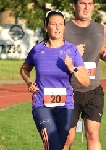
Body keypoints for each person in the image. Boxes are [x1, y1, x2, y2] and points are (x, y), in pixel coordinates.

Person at [20, 11, 90, 150]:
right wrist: (29, 82)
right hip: (41, 104)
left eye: (60, 24)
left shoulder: (71, 50)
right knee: (52, 145)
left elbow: (86, 81)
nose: (57, 27)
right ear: (46, 27)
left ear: (64, 27)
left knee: (59, 145)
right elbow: (24, 69)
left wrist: (72, 67)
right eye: (53, 24)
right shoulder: (37, 50)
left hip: (65, 106)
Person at [63, 0, 106, 150]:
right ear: (74, 5)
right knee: (67, 138)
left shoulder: (101, 29)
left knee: (93, 135)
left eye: (90, 3)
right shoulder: (63, 29)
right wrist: (71, 52)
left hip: (93, 90)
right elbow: (51, 54)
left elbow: (102, 52)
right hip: (69, 90)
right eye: (82, 3)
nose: (86, 7)